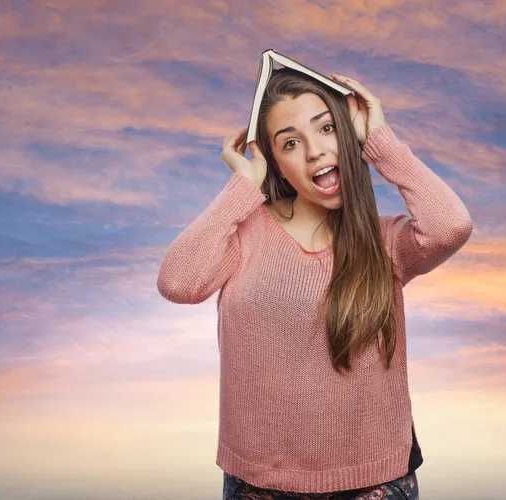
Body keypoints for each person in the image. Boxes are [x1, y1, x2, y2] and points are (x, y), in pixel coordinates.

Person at [156, 67, 473, 499]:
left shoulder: (386, 242)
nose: (314, 152)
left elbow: (451, 225)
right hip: (259, 483)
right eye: (290, 142)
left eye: (326, 128)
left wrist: (381, 145)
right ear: (277, 165)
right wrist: (242, 186)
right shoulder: (245, 232)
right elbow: (177, 282)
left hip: (376, 481)